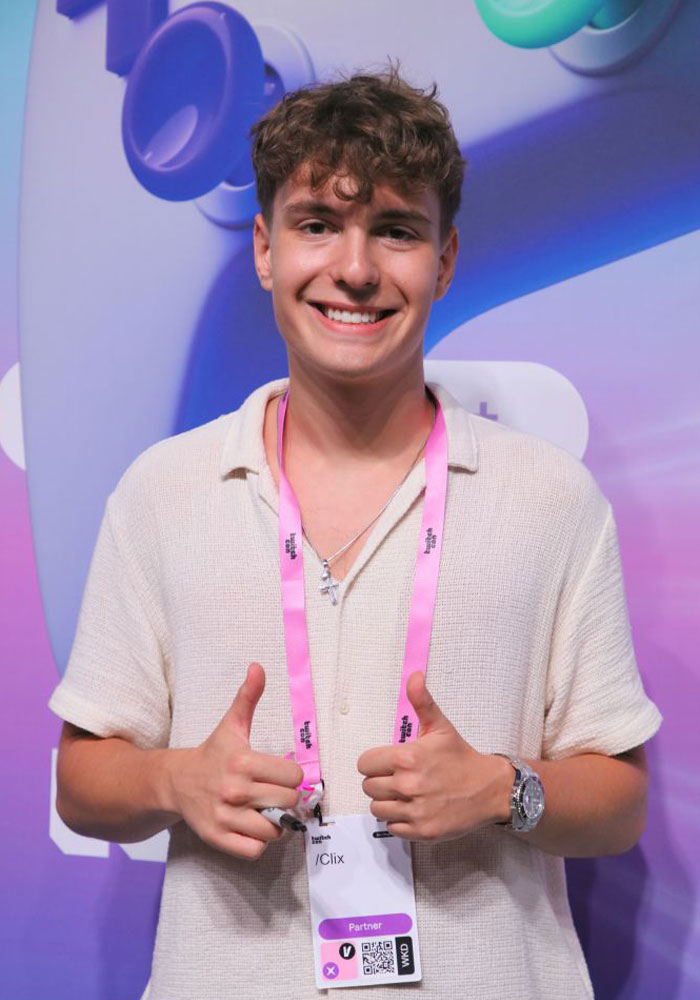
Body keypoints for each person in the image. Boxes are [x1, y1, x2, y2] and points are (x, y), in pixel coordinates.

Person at [50, 68, 661, 999]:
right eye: (317, 224)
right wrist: (178, 781)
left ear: (446, 260)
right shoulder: (163, 493)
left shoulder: (548, 498)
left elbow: (619, 803)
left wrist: (503, 789)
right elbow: (80, 782)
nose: (357, 267)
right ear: (263, 248)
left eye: (396, 229)